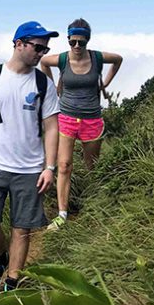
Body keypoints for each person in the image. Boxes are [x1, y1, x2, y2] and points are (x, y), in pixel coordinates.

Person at [0, 21, 61, 292]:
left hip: (30, 168)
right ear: (19, 44)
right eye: (37, 47)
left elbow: (52, 126)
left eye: (45, 48)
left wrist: (49, 167)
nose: (41, 53)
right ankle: (0, 257)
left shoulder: (44, 83)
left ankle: (12, 281)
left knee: (22, 228)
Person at [39, 18, 122, 230]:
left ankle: (95, 205)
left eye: (81, 42)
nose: (76, 46)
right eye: (72, 41)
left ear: (88, 41)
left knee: (92, 166)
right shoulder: (63, 60)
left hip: (92, 119)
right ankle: (62, 214)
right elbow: (44, 62)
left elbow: (119, 59)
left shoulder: (97, 58)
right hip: (66, 116)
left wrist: (105, 83)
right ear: (68, 40)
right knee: (64, 165)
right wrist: (54, 85)